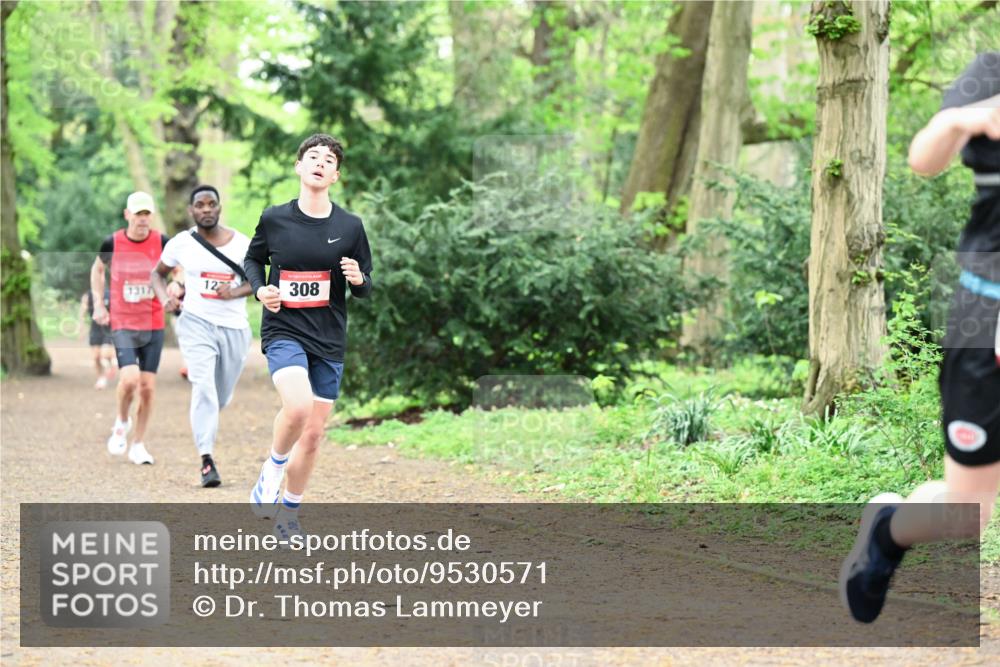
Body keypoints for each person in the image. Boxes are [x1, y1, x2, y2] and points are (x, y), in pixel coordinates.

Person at [840, 52, 1000, 623]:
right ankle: (889, 530)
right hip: (986, 310)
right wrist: (965, 121)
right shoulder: (990, 74)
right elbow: (924, 159)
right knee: (968, 510)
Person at [244, 133, 373, 539]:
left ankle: (289, 514)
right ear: (299, 166)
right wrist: (261, 289)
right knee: (297, 408)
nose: (320, 162)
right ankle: (273, 466)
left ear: (336, 175)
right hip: (284, 329)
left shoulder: (350, 226)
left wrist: (359, 278)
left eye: (329, 159)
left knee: (314, 435)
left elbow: (365, 284)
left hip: (329, 338)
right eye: (313, 156)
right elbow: (253, 259)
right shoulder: (274, 218)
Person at [151, 185, 252, 487]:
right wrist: (164, 299)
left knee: (220, 395)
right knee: (203, 388)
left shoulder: (243, 244)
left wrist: (233, 292)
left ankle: (207, 415)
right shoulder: (181, 243)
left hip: (234, 327)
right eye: (200, 205)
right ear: (191, 211)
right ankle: (207, 460)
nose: (206, 209)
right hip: (195, 323)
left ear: (220, 208)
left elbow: (259, 283)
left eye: (211, 204)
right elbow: (157, 273)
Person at [91, 191, 173, 465]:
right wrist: (99, 305)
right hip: (123, 321)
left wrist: (177, 284)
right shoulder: (112, 242)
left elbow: (179, 269)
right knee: (129, 380)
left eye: (147, 214)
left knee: (148, 388)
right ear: (127, 215)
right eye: (138, 214)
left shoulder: (162, 241)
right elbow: (97, 270)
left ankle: (138, 444)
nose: (143, 219)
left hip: (153, 323)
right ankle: (121, 419)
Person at [79, 287, 115, 389]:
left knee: (106, 353)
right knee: (96, 357)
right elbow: (83, 311)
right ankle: (101, 378)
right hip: (95, 328)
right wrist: (81, 326)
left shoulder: (110, 293)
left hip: (109, 328)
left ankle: (111, 364)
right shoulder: (88, 296)